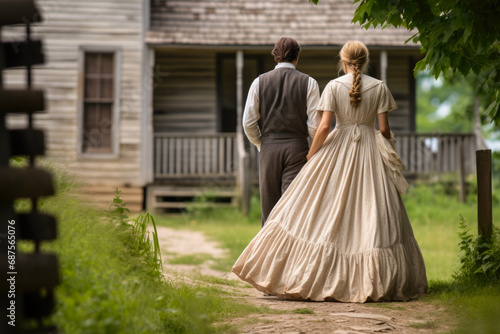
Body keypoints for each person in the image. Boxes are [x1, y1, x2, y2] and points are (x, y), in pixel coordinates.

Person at [232, 41, 427, 302]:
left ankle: (286, 270)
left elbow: (323, 127)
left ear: (343, 61)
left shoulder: (333, 86)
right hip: (368, 150)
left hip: (329, 146)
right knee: (373, 208)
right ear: (366, 60)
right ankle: (375, 277)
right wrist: (387, 145)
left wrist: (313, 153)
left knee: (311, 209)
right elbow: (383, 129)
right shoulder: (379, 86)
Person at [243, 37, 321, 227]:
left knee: (268, 210)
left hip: (269, 147)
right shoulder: (309, 83)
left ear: (276, 56)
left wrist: (261, 144)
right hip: (297, 148)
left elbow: (248, 122)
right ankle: (290, 256)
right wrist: (312, 149)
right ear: (297, 57)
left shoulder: (259, 82)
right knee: (292, 208)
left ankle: (266, 255)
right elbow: (314, 126)